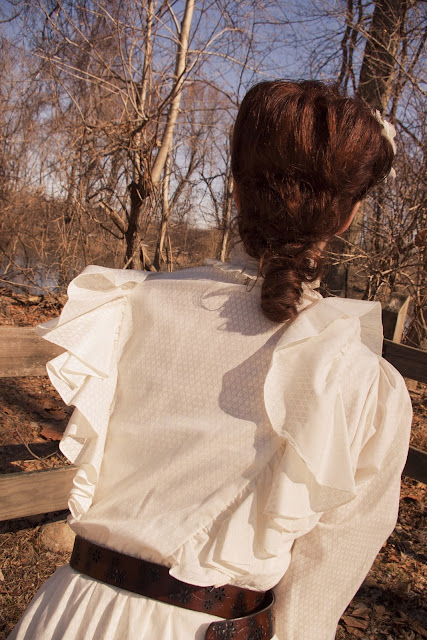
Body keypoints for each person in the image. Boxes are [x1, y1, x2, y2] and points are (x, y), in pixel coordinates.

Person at [9, 80, 411, 640]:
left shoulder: (125, 308)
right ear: (347, 217)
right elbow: (319, 586)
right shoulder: (365, 382)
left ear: (236, 191)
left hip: (68, 613)